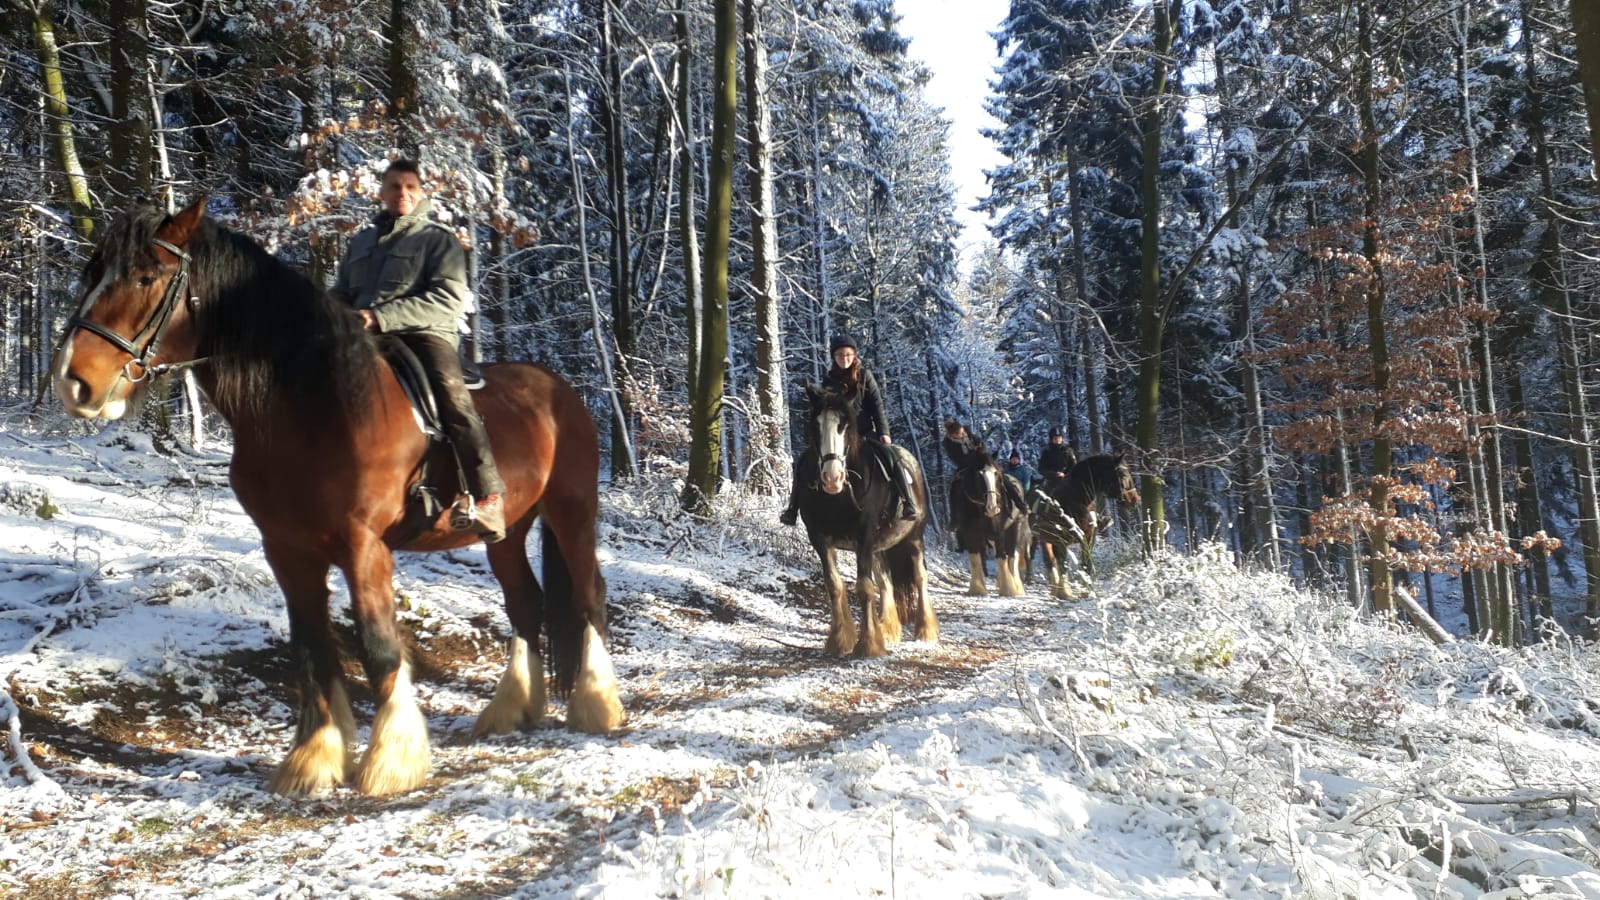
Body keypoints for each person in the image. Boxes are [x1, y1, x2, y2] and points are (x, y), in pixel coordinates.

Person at [329, 158, 506, 543]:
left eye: (410, 186)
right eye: (394, 186)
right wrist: (330, 314)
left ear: (422, 191)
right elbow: (343, 291)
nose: (402, 194)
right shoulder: (361, 241)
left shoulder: (438, 240)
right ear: (381, 192)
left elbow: (445, 300)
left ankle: (487, 496)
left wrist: (379, 316)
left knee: (452, 397)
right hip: (364, 336)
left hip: (425, 335)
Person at [780, 333, 917, 525]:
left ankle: (908, 501)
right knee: (804, 460)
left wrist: (884, 432)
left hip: (865, 433)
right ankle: (793, 509)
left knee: (891, 457)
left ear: (854, 356)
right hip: (839, 435)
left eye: (848, 354)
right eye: (839, 355)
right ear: (834, 358)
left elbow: (877, 405)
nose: (844, 358)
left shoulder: (865, 376)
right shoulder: (829, 381)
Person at [1040, 426, 1076, 493]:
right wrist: (1054, 474)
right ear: (1051, 439)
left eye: (1059, 438)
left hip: (1066, 479)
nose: (1058, 440)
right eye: (1055, 438)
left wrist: (1065, 474)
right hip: (1051, 480)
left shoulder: (1068, 450)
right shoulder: (1046, 451)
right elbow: (1041, 468)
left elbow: (1073, 466)